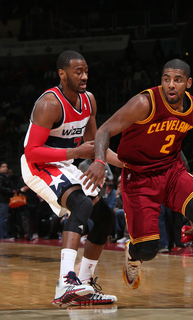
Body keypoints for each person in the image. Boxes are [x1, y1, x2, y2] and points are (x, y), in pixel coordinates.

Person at [82, 58, 193, 308]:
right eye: (166, 79)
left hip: (171, 171)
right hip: (138, 177)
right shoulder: (144, 102)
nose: (171, 85)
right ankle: (133, 255)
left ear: (188, 83)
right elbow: (104, 130)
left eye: (177, 80)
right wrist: (99, 160)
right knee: (150, 249)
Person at [20, 50, 122, 307]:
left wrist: (126, 162)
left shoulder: (89, 100)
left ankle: (83, 285)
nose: (85, 76)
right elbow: (31, 151)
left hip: (64, 164)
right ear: (62, 74)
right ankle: (66, 282)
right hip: (37, 165)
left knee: (105, 216)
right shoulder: (49, 104)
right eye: (78, 71)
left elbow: (95, 143)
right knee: (81, 204)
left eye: (86, 70)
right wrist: (77, 152)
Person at [0, 162, 15, 240]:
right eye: (3, 166)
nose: (5, 168)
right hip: (2, 200)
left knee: (5, 217)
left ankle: (4, 234)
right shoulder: (0, 177)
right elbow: (0, 187)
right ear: (0, 169)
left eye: (6, 166)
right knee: (3, 217)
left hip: (6, 199)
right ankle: (2, 235)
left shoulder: (6, 177)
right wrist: (10, 191)